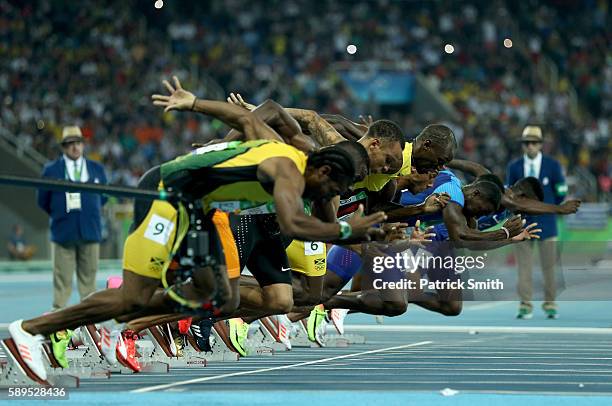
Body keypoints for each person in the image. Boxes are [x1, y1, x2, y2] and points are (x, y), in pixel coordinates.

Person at [9, 85, 386, 380]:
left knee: (218, 296)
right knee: (132, 295)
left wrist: (193, 103)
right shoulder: (286, 171)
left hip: (200, 209)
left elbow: (247, 117)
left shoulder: (304, 163)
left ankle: (120, 325)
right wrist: (343, 227)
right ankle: (35, 329)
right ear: (322, 173)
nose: (334, 198)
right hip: (165, 195)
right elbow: (294, 225)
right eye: (335, 190)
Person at [37, 126, 108, 311]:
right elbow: (42, 200)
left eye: (77, 143)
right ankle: (58, 326)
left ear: (83, 145)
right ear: (63, 147)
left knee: (89, 283)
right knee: (62, 283)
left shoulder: (96, 169)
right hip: (63, 232)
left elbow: (104, 197)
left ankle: (89, 324)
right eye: (70, 144)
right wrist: (61, 215)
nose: (74, 148)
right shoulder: (51, 170)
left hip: (90, 231)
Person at [506, 126, 569, 319]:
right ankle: (525, 305)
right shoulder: (515, 167)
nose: (530, 146)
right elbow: (509, 194)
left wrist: (548, 209)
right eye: (526, 143)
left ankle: (550, 303)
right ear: (523, 145)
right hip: (523, 223)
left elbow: (561, 192)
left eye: (533, 143)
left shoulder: (553, 165)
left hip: (547, 223)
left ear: (541, 145)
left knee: (549, 267)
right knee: (523, 266)